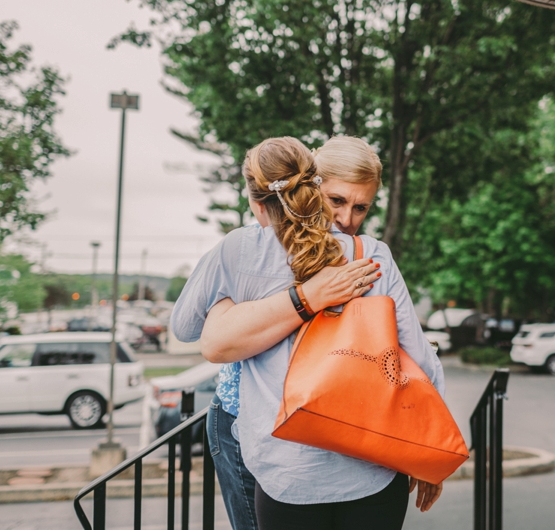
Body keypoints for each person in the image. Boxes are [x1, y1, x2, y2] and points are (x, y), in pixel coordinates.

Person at [173, 136, 445, 529]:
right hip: (370, 465)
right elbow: (418, 358)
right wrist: (428, 453)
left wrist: (226, 304)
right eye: (337, 201)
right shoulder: (372, 255)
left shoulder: (242, 251)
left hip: (286, 472)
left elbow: (185, 327)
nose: (347, 219)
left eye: (361, 207)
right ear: (313, 187)